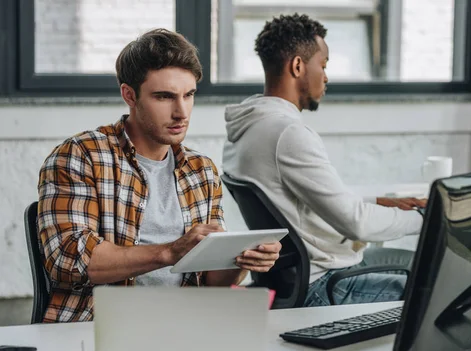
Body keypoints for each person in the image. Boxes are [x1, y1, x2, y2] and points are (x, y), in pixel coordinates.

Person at [37, 29, 281, 323]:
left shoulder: (201, 170)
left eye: (188, 95)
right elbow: (67, 260)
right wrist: (169, 252)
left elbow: (211, 281)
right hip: (100, 329)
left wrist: (243, 261)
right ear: (129, 95)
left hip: (183, 327)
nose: (181, 112)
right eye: (164, 96)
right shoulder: (81, 155)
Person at [222, 14, 426, 307]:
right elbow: (357, 224)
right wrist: (427, 218)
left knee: (417, 263)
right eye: (324, 64)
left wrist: (380, 200)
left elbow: (302, 204)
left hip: (292, 279)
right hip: (321, 285)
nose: (326, 76)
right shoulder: (288, 133)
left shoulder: (246, 127)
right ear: (297, 66)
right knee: (437, 286)